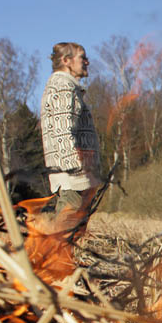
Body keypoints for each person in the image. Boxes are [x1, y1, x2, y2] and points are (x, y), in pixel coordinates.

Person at [40, 42, 102, 228]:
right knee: (64, 236)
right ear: (66, 61)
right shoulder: (63, 86)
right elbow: (62, 130)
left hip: (76, 177)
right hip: (73, 179)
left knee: (72, 236)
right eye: (82, 57)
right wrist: (76, 167)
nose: (87, 62)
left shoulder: (65, 86)